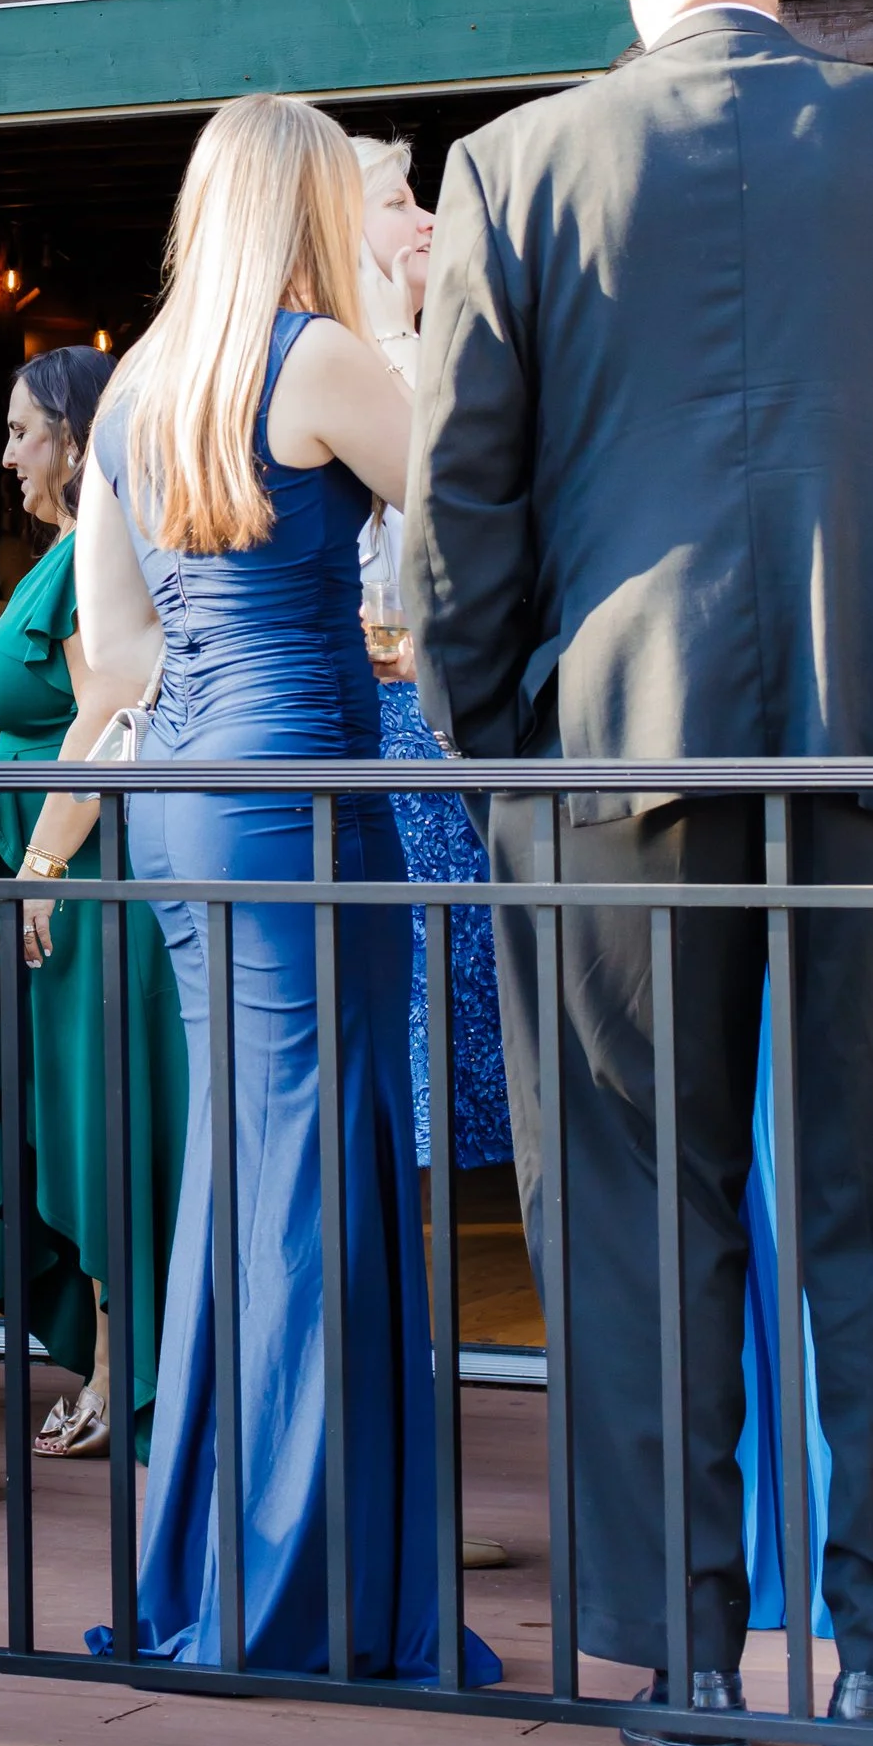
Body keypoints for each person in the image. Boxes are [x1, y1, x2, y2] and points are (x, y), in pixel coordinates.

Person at [406, 0, 873, 1746]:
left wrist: (499, 755)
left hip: (613, 768)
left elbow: (460, 505)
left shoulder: (513, 167)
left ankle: (677, 1667)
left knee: (638, 1209)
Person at [54, 95, 487, 1680]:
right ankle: (307, 1586)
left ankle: (222, 1556)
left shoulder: (135, 385)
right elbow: (471, 512)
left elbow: (109, 654)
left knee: (243, 1156)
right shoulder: (315, 356)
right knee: (320, 1147)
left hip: (176, 791)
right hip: (297, 785)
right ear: (306, 204)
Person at [0, 349, 187, 1461]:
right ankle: (101, 1355)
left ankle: (129, 1368)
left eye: (22, 431)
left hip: (84, 865)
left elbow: (110, 708)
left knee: (98, 1128)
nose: (6, 454)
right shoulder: (55, 559)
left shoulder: (96, 550)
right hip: (53, 857)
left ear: (79, 441)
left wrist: (40, 864)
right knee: (70, 1125)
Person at [348, 142, 510, 1183]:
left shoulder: (425, 355)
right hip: (382, 711)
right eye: (398, 202)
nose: (427, 220)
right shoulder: (368, 366)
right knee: (419, 970)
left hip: (430, 710)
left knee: (449, 971)